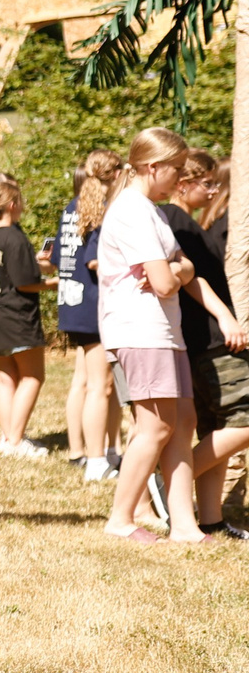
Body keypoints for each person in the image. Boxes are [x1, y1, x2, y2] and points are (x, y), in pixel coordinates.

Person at [96, 127, 230, 544]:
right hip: (141, 331)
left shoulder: (152, 211)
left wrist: (177, 270)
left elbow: (180, 272)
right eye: (175, 170)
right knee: (154, 427)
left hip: (164, 331)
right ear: (152, 168)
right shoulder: (132, 211)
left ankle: (184, 524)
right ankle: (120, 519)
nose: (181, 179)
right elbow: (168, 281)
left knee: (184, 421)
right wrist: (175, 272)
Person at [184, 154, 249, 534]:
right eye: (202, 183)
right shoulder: (222, 228)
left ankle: (211, 519)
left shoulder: (207, 227)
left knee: (215, 429)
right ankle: (165, 484)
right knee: (242, 420)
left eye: (212, 184)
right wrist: (227, 319)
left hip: (213, 339)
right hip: (216, 341)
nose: (208, 190)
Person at [50, 150, 119, 479]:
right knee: (100, 386)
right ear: (115, 174)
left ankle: (85, 451)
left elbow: (57, 258)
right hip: (94, 305)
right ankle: (96, 461)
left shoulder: (71, 207)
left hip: (71, 303)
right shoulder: (104, 210)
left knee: (86, 381)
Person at [0, 176, 47, 459]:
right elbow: (25, 282)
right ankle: (15, 441)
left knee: (5, 376)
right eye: (21, 203)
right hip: (16, 315)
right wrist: (55, 282)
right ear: (12, 204)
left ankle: (8, 437)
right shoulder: (14, 237)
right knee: (32, 376)